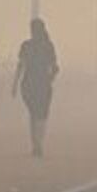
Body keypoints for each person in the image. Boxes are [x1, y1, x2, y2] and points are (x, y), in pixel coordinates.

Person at [11, 18, 59, 157]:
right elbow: (55, 67)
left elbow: (21, 65)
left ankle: (35, 144)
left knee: (33, 115)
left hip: (28, 84)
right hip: (43, 83)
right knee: (42, 115)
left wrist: (14, 84)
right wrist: (50, 78)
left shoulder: (26, 45)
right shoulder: (48, 45)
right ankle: (39, 144)